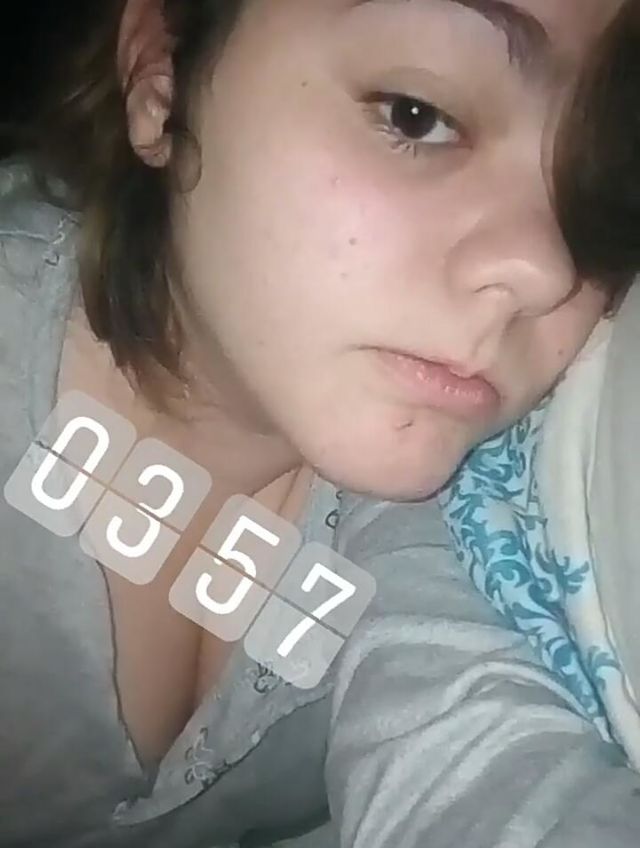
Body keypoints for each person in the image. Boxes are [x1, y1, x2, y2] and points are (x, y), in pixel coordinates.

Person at [0, 0, 638, 846]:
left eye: (604, 198)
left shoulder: (487, 511)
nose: (545, 268)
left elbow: (478, 757)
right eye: (417, 116)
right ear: (160, 76)